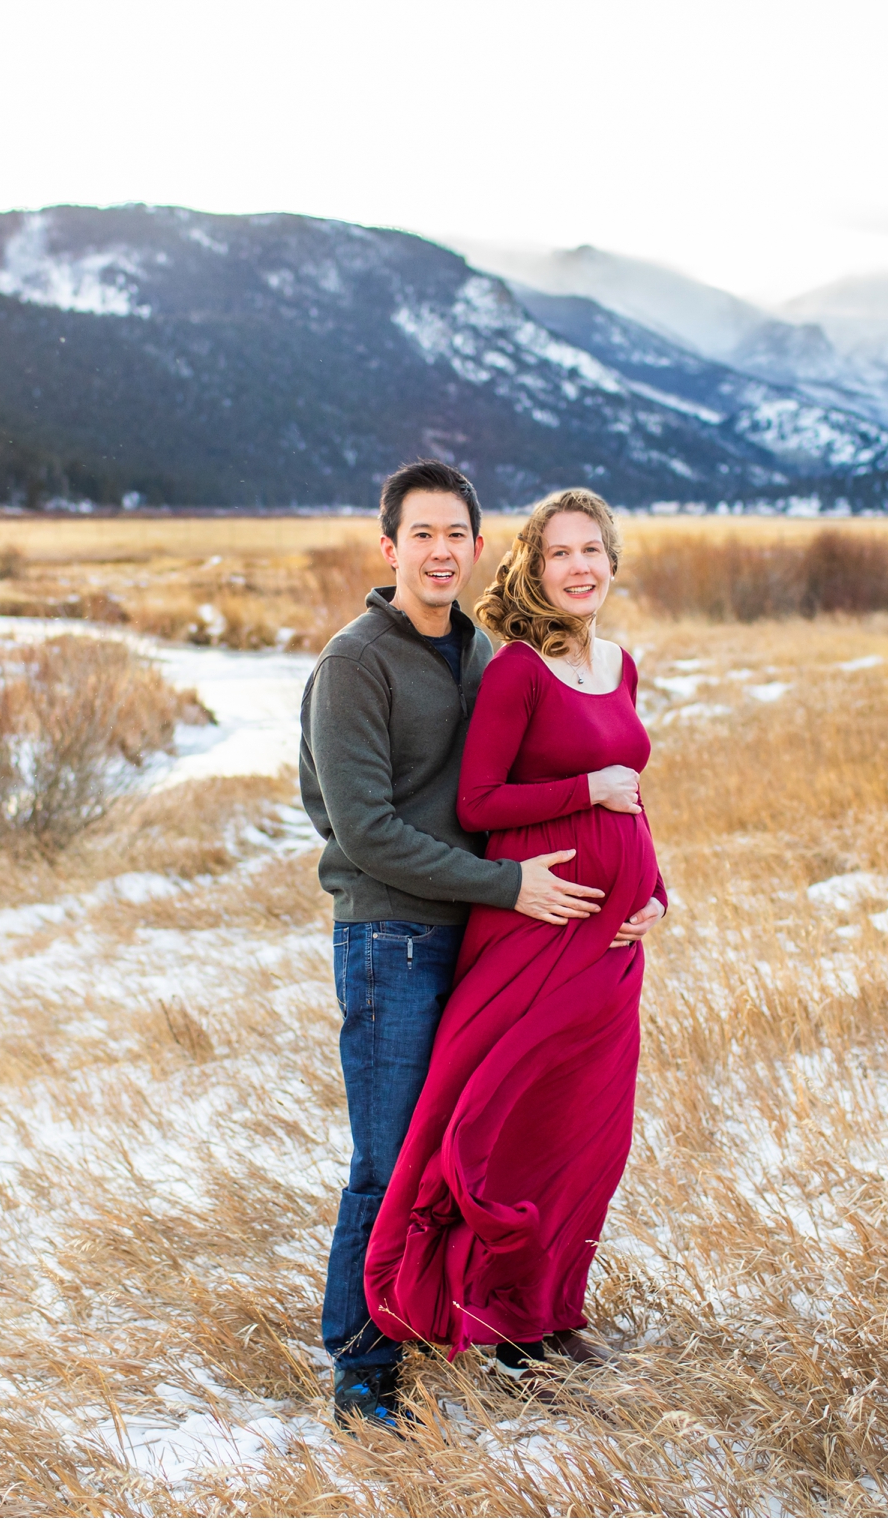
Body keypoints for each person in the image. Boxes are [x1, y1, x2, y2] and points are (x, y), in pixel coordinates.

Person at [298, 460, 609, 1431]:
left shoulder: (479, 651)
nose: (440, 551)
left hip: (480, 939)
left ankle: (479, 1323)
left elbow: (524, 780)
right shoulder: (357, 661)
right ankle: (362, 1365)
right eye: (420, 534)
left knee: (474, 1147)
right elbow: (363, 828)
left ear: (479, 549)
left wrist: (624, 886)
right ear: (388, 548)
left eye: (456, 535)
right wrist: (511, 882)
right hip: (390, 936)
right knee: (388, 1161)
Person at [361, 486, 666, 1396]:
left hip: (611, 945)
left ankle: (550, 1321)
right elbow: (479, 804)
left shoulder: (621, 665)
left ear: (612, 562)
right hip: (532, 931)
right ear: (534, 569)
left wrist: (656, 890)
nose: (579, 567)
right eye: (560, 553)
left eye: (592, 551)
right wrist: (586, 790)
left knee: (586, 1135)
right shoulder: (517, 672)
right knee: (501, 1126)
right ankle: (479, 1316)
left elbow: (632, 798)